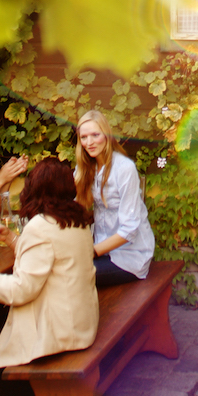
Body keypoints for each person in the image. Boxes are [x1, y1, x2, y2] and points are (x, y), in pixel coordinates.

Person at [0, 158, 98, 396]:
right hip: (80, 317)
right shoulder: (75, 217)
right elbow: (50, 254)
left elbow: (23, 289)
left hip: (59, 329)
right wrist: (13, 239)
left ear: (35, 188)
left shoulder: (40, 225)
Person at [74, 110, 155, 288]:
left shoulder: (124, 168)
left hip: (129, 255)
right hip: (101, 247)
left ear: (107, 135)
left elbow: (130, 229)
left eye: (95, 135)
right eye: (84, 137)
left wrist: (91, 252)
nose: (89, 142)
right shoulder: (84, 168)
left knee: (74, 277)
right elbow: (71, 207)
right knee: (63, 269)